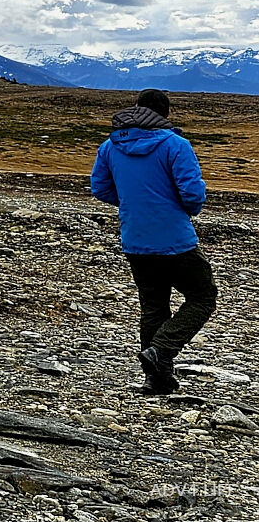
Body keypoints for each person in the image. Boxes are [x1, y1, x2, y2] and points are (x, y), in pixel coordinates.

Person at [89, 89, 216, 395]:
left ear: (136, 109)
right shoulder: (175, 144)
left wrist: (134, 204)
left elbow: (100, 188)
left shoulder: (110, 146)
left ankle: (156, 379)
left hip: (136, 239)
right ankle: (162, 349)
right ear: (166, 114)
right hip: (175, 239)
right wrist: (177, 209)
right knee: (202, 296)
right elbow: (193, 195)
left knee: (153, 306)